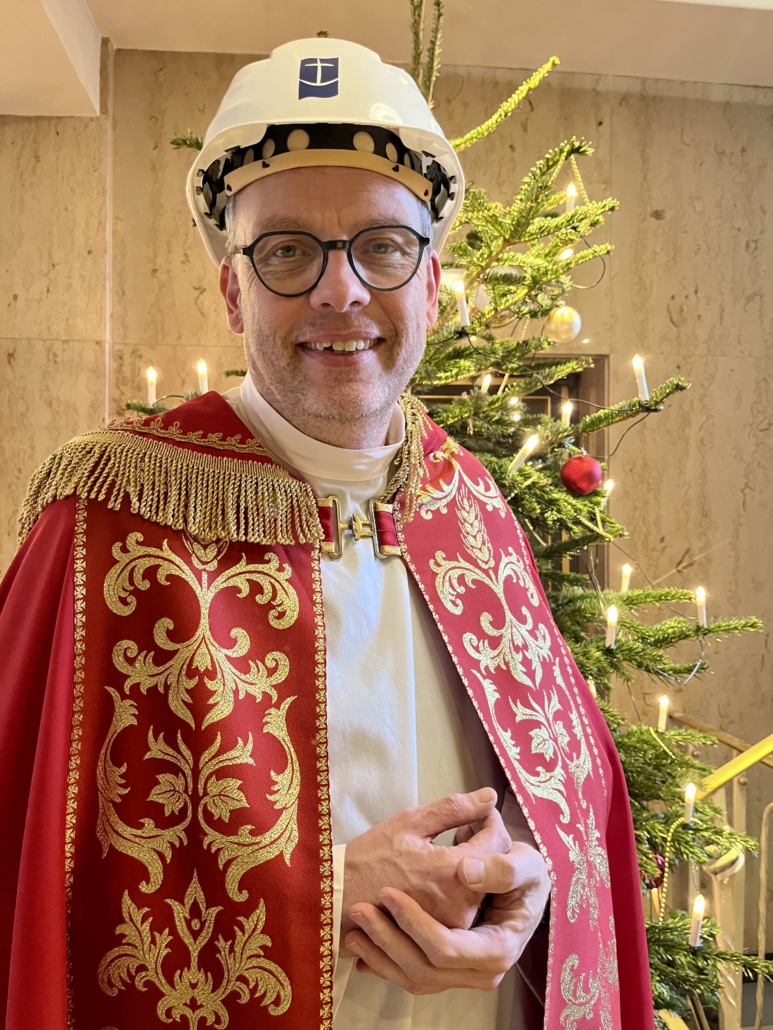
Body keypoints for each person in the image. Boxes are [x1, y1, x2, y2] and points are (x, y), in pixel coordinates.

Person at [0, 38, 653, 1030]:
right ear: (233, 293)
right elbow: (26, 877)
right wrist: (330, 892)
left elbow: (574, 795)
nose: (338, 293)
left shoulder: (470, 512)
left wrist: (523, 868)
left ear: (430, 286)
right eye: (286, 250)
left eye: (382, 246)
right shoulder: (103, 518)